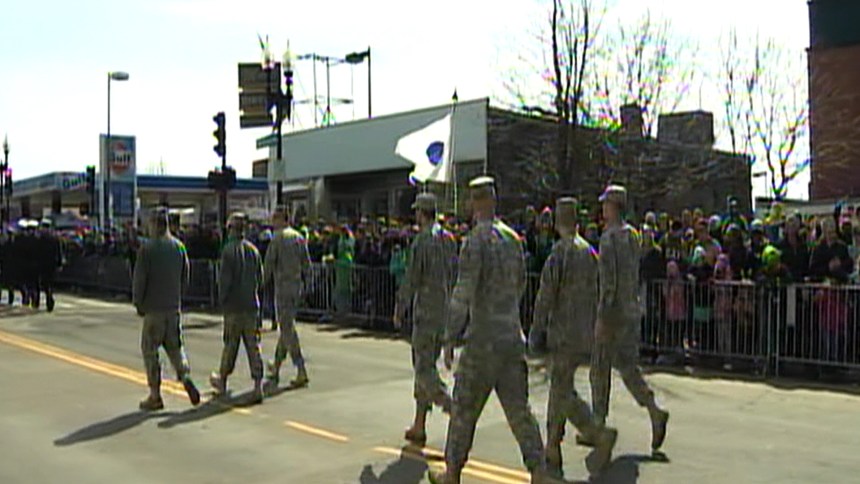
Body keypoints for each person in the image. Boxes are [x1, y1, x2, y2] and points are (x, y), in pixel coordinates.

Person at [428, 176, 547, 484]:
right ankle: (539, 469)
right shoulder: (512, 239)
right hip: (511, 337)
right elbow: (521, 283)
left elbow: (464, 292)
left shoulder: (475, 241)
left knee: (464, 410)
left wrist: (450, 336)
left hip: (482, 341)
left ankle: (452, 472)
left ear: (475, 201)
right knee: (520, 412)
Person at [528, 197, 615, 479]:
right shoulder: (589, 252)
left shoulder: (560, 253)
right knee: (562, 389)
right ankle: (554, 445)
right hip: (584, 331)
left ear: (557, 221)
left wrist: (536, 331)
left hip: (563, 333)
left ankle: (591, 434)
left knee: (561, 391)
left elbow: (545, 296)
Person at [589, 185, 669, 474]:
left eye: (605, 205)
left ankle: (598, 426)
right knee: (627, 367)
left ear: (613, 207)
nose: (602, 209)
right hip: (631, 310)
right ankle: (654, 410)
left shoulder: (610, 238)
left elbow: (609, 283)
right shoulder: (633, 235)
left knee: (599, 369)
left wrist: (602, 316)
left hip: (613, 313)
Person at [393, 192, 457, 445]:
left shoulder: (422, 241)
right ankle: (419, 424)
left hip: (426, 312)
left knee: (423, 369)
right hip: (444, 310)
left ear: (422, 213)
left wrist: (400, 306)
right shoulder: (448, 238)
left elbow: (412, 278)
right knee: (426, 365)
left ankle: (452, 407)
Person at [132, 207, 201, 411]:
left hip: (153, 309)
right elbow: (185, 276)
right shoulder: (179, 247)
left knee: (150, 350)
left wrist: (138, 303)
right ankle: (185, 375)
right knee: (175, 348)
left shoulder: (147, 249)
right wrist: (178, 296)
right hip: (173, 308)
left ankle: (155, 395)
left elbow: (140, 280)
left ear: (154, 225)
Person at [210, 213, 265, 404]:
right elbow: (260, 278)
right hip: (251, 305)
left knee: (230, 345)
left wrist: (222, 301)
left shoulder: (228, 251)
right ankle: (258, 385)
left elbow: (224, 282)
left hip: (233, 307)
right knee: (253, 346)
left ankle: (223, 380)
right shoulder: (253, 250)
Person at [264, 206, 311, 389]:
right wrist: (307, 285)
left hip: (282, 287)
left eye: (275, 218)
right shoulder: (299, 237)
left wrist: (260, 283)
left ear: (282, 219)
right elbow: (307, 264)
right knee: (287, 326)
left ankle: (300, 368)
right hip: (296, 286)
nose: (273, 222)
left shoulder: (277, 239)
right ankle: (276, 365)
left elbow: (269, 264)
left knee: (287, 328)